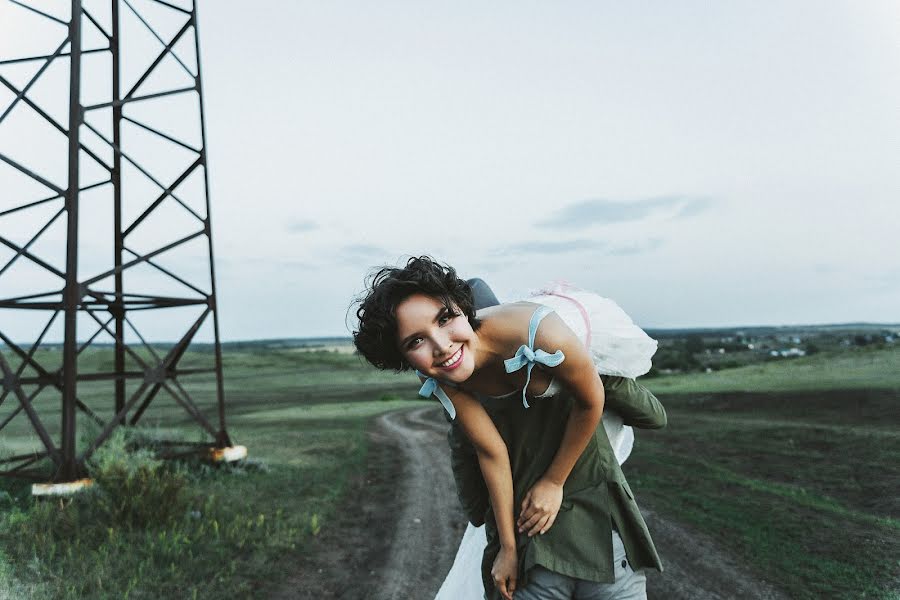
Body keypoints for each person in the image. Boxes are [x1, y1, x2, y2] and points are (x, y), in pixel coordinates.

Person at [352, 256, 666, 599]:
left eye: (444, 319)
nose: (441, 346)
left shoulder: (539, 330)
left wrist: (553, 482)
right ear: (402, 357)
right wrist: (508, 548)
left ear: (462, 307)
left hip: (595, 522)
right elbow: (491, 451)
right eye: (416, 341)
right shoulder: (440, 373)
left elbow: (591, 401)